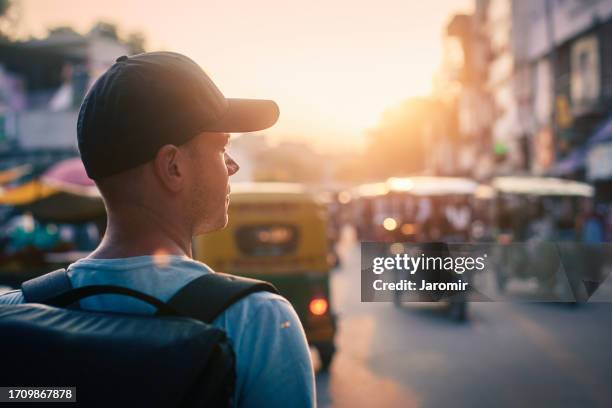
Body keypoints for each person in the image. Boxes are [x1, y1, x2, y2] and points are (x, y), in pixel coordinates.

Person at [0, 51, 315, 408]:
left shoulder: (13, 313)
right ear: (173, 167)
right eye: (221, 147)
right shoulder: (256, 322)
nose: (233, 165)